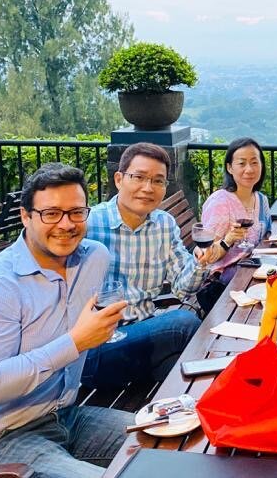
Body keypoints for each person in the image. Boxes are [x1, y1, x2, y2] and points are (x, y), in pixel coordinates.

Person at [0, 163, 132, 478]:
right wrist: (76, 342)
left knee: (172, 439)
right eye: (51, 213)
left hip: (57, 416)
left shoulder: (94, 258)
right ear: (26, 216)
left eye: (76, 212)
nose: (66, 224)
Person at [81, 142, 221, 389]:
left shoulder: (163, 224)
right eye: (139, 177)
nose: (148, 188)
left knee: (189, 376)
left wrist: (200, 263)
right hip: (97, 347)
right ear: (119, 179)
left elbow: (183, 289)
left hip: (144, 337)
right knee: (183, 323)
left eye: (158, 181)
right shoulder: (90, 223)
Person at [200, 137, 272, 279]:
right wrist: (229, 240)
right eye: (241, 163)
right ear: (229, 168)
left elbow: (267, 236)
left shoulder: (261, 199)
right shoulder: (220, 203)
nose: (249, 169)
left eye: (254, 162)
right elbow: (206, 258)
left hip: (254, 269)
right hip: (222, 282)